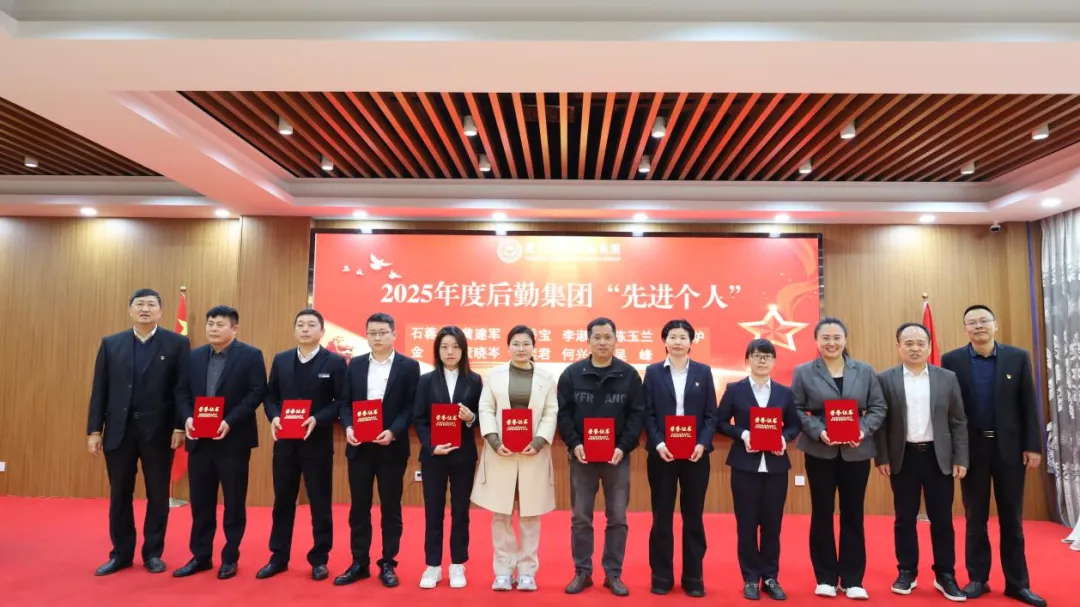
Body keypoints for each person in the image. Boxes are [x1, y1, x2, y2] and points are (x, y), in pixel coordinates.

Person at [941, 305, 1046, 607]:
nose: (978, 326)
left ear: (995, 325)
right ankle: (978, 579)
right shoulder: (952, 360)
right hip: (972, 451)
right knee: (975, 518)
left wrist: (1033, 446)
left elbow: (1028, 403)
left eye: (983, 321)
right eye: (972, 322)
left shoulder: (1017, 357)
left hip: (1009, 450)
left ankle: (1018, 584)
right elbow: (949, 409)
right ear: (965, 329)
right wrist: (954, 452)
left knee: (1012, 519)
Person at [87, 288, 191, 576]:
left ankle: (153, 553)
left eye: (151, 305)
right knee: (120, 494)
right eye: (140, 304)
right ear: (130, 309)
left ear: (160, 311)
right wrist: (94, 430)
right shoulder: (111, 344)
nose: (145, 309)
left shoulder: (177, 343)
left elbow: (182, 388)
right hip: (119, 431)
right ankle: (121, 554)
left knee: (158, 494)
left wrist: (179, 425)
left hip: (159, 432)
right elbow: (100, 390)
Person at [792, 316, 887, 600]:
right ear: (816, 341)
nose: (831, 343)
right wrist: (818, 431)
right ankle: (825, 577)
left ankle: (853, 579)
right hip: (820, 450)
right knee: (822, 512)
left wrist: (862, 430)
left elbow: (878, 407)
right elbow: (795, 408)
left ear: (845, 340)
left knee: (853, 514)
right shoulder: (804, 372)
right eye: (826, 338)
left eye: (837, 337)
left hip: (857, 451)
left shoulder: (865, 370)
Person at [874, 322, 969, 601]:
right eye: (909, 343)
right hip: (903, 457)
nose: (915, 348)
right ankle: (907, 571)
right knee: (905, 518)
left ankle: (945, 574)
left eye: (920, 343)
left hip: (939, 458)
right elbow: (881, 423)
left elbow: (958, 420)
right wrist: (882, 457)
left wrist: (961, 457)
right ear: (898, 347)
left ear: (929, 347)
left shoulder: (947, 378)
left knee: (942, 519)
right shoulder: (885, 379)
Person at [173, 305, 266, 580]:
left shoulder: (251, 355)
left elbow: (257, 392)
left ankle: (230, 557)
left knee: (234, 502)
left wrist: (230, 421)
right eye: (210, 324)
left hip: (233, 441)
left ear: (234, 329)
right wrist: (188, 418)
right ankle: (201, 556)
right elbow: (181, 392)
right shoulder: (193, 356)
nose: (213, 329)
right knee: (201, 502)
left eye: (220, 324)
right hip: (199, 441)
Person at [256, 308, 348, 582]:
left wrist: (317, 419)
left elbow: (342, 402)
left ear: (322, 331)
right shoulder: (282, 359)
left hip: (316, 443)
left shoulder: (335, 362)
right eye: (300, 325)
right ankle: (278, 557)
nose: (305, 329)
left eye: (311, 325)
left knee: (320, 502)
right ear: (295, 330)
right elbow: (270, 396)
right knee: (283, 501)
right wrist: (274, 416)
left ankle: (319, 559)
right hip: (285, 443)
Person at [557, 317, 645, 597]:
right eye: (597, 337)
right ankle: (582, 572)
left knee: (617, 517)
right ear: (588, 341)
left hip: (616, 458)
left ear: (616, 340)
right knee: (580, 517)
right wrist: (574, 444)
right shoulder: (572, 374)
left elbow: (637, 416)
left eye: (608, 337)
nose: (603, 343)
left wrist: (623, 446)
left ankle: (613, 573)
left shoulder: (629, 375)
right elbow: (564, 414)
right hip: (582, 458)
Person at [471, 325, 559, 591]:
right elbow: (486, 408)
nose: (521, 349)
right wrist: (494, 440)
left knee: (530, 515)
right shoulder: (495, 375)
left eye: (526, 344)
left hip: (533, 454)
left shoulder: (546, 377)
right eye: (516, 344)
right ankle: (503, 570)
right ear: (508, 347)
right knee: (501, 514)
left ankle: (528, 571)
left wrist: (539, 441)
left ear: (534, 347)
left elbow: (551, 412)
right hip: (502, 454)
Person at [335, 312, 420, 588]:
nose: (378, 337)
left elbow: (411, 406)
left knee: (390, 508)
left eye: (383, 332)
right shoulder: (355, 365)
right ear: (366, 335)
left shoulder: (409, 367)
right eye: (372, 333)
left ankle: (388, 563)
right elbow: (345, 403)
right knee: (359, 507)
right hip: (360, 447)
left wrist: (393, 431)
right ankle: (359, 563)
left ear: (394, 334)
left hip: (391, 447)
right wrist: (348, 426)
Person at [639, 319, 719, 598]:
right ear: (664, 341)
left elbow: (711, 414)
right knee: (661, 516)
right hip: (662, 455)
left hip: (696, 455)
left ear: (691, 342)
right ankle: (661, 575)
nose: (677, 342)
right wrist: (658, 442)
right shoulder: (652, 372)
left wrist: (702, 443)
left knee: (693, 517)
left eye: (683, 337)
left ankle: (693, 576)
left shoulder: (703, 372)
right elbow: (647, 413)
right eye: (672, 336)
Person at [717, 338, 800, 601]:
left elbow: (794, 425)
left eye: (767, 356)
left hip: (776, 467)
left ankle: (771, 577)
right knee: (747, 524)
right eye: (756, 356)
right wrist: (743, 435)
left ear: (774, 362)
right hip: (744, 466)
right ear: (747, 360)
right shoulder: (735, 389)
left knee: (772, 525)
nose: (762, 360)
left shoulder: (785, 393)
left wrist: (783, 439)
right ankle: (751, 578)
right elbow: (720, 422)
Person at [413, 326, 483, 589]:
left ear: (463, 350)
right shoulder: (425, 381)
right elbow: (419, 419)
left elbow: (482, 417)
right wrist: (432, 446)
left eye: (455, 346)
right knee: (433, 511)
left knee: (461, 511)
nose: (450, 351)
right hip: (434, 456)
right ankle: (432, 565)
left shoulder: (474, 380)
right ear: (437, 350)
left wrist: (471, 418)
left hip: (463, 455)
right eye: (444, 347)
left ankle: (457, 563)